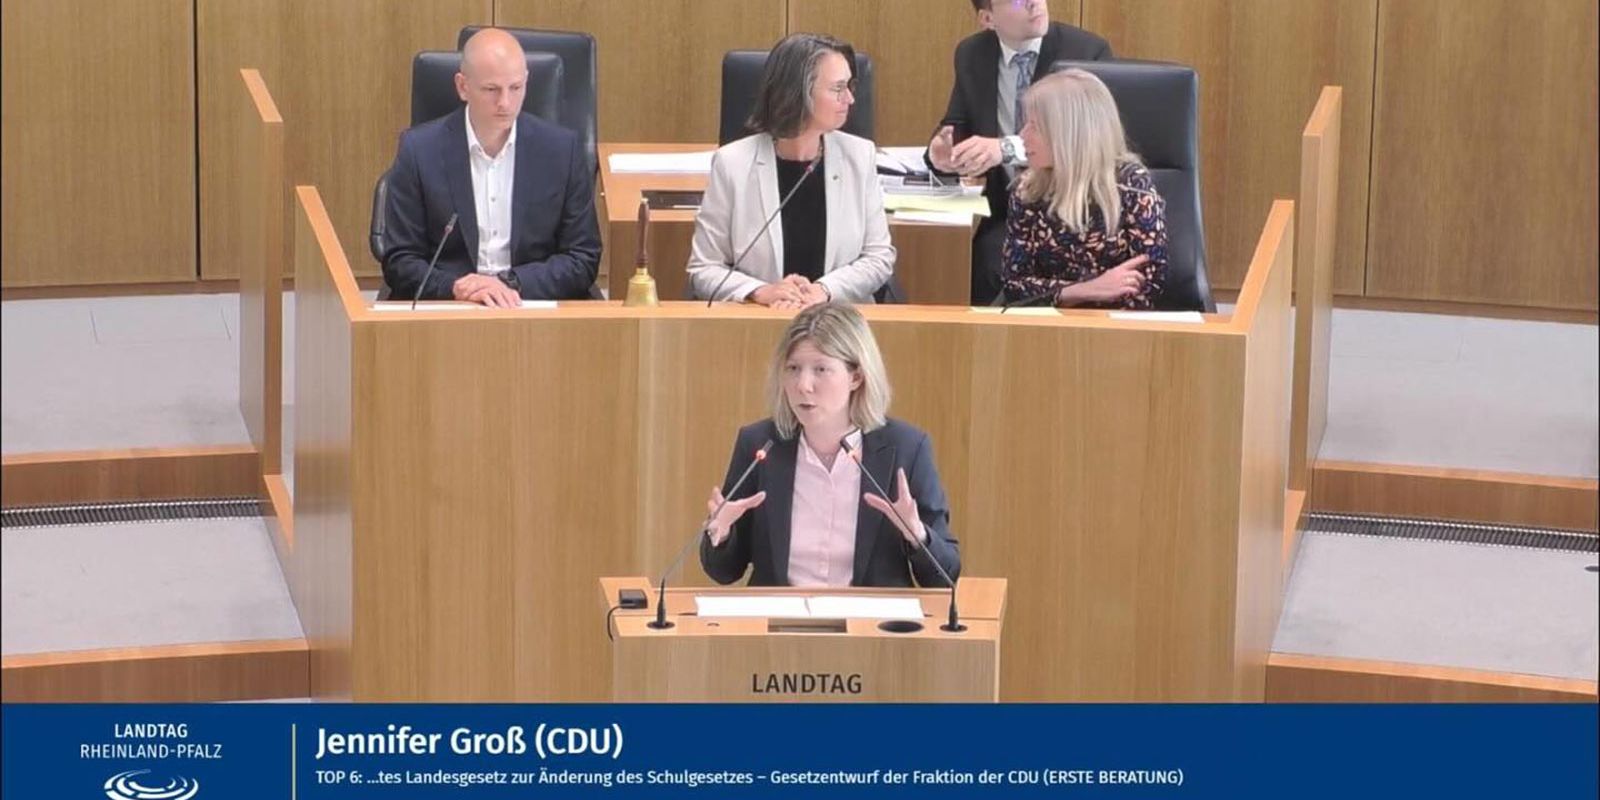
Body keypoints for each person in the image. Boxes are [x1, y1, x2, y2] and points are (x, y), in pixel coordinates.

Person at [700, 303, 960, 588]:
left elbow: (945, 576)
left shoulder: (906, 448)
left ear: (856, 377)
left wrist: (917, 535)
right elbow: (724, 572)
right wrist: (721, 534)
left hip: (869, 616)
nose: (803, 385)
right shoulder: (760, 445)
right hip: (781, 614)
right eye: (793, 368)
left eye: (821, 369)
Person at [382, 28, 601, 306]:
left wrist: (509, 283)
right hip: (451, 306)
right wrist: (457, 288)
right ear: (463, 87)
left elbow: (583, 257)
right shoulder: (418, 150)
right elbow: (400, 260)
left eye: (515, 88)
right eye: (491, 89)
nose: (505, 103)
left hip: (530, 303)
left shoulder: (561, 151)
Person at [926, 0, 1113, 304]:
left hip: (1071, 211)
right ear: (987, 18)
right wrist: (940, 153)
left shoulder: (1085, 52)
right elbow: (955, 126)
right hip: (1006, 214)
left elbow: (1087, 141)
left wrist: (1006, 148)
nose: (1033, 3)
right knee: (979, 267)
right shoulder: (972, 54)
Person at [687, 34, 895, 307]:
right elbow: (704, 269)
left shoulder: (860, 156)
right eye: (838, 88)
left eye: (850, 86)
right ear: (799, 93)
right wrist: (760, 291)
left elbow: (879, 258)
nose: (851, 98)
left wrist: (824, 290)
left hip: (838, 320)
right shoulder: (732, 164)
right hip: (761, 319)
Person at [1000, 69, 1166, 309]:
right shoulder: (1028, 189)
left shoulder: (1132, 185)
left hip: (1116, 324)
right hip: (1048, 322)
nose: (1022, 135)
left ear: (1069, 133)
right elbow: (1014, 285)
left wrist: (1067, 295)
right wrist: (1086, 290)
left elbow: (1150, 284)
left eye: (1035, 126)